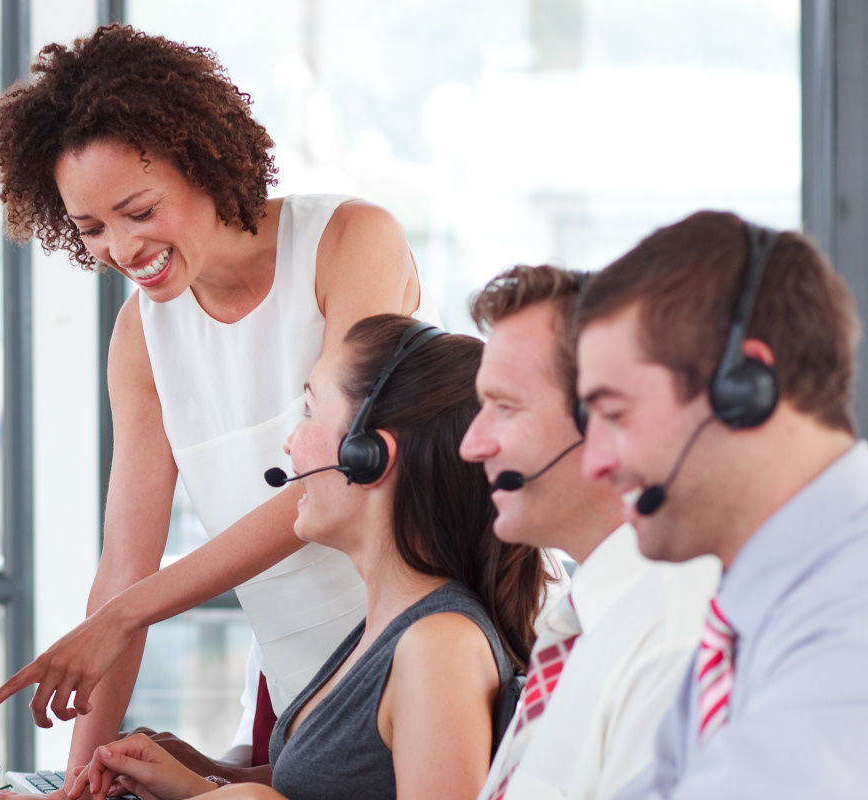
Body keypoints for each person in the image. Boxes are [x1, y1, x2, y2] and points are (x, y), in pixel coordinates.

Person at [0, 24, 441, 775]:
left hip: (429, 656)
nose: (122, 249)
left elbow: (336, 478)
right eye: (90, 228)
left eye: (139, 210)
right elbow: (125, 564)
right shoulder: (142, 337)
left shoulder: (350, 243)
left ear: (202, 161)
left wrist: (126, 615)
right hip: (305, 693)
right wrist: (75, 782)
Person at [65, 314, 552, 800]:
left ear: (369, 456)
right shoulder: (388, 626)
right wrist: (202, 785)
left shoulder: (438, 645)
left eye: (309, 411)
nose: (290, 443)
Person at [574, 211, 868, 797]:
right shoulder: (749, 603)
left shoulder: (850, 602)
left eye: (614, 414)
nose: (594, 464)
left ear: (744, 388)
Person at [459, 265, 720, 800]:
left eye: (504, 407)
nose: (472, 444)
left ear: (607, 418)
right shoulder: (584, 623)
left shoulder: (673, 641)